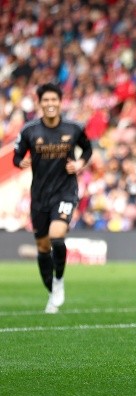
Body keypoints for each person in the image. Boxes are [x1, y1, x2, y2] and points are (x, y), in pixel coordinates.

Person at [13, 82, 93, 313]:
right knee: (42, 246)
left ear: (60, 102)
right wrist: (21, 162)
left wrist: (79, 163)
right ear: (40, 103)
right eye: (45, 100)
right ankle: (52, 291)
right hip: (39, 196)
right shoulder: (30, 131)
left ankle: (59, 280)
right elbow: (16, 156)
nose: (50, 104)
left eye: (53, 100)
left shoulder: (74, 128)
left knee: (57, 236)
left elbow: (87, 149)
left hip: (65, 191)